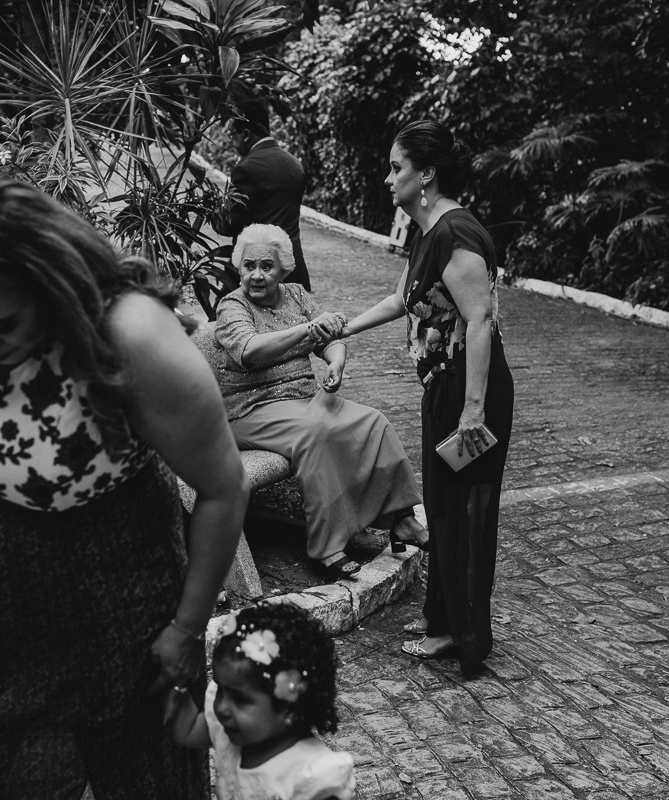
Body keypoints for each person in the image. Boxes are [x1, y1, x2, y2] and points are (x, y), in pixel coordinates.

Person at [0, 176, 250, 797]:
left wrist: (187, 631)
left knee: (146, 784)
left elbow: (224, 489)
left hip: (122, 616)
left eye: (0, 327)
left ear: (48, 281)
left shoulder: (131, 334)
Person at [340, 120, 514, 676]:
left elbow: (480, 322)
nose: (388, 177)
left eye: (397, 167)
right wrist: (340, 330)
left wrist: (472, 410)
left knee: (466, 513)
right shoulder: (427, 230)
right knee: (443, 507)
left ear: (426, 173)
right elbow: (400, 300)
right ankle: (445, 625)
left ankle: (465, 639)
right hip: (446, 387)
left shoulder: (457, 233)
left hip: (470, 391)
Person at [207, 223, 427, 580]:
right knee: (316, 432)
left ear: (283, 270)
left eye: (267, 266)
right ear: (239, 267)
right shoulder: (232, 305)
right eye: (249, 266)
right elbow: (249, 350)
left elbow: (330, 340)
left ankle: (402, 520)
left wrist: (336, 361)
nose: (257, 275)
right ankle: (326, 547)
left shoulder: (296, 295)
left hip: (304, 400)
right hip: (250, 409)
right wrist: (307, 330)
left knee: (372, 421)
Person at [164, 602, 355, 800]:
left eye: (240, 699)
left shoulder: (309, 777)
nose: (221, 707)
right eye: (220, 690)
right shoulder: (228, 734)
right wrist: (178, 683)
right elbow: (188, 730)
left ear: (290, 709)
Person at [208, 99, 311, 291]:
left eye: (232, 135)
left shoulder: (247, 168)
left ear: (245, 134)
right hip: (293, 266)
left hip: (258, 271)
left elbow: (230, 223)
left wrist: (211, 209)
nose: (232, 143)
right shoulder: (294, 163)